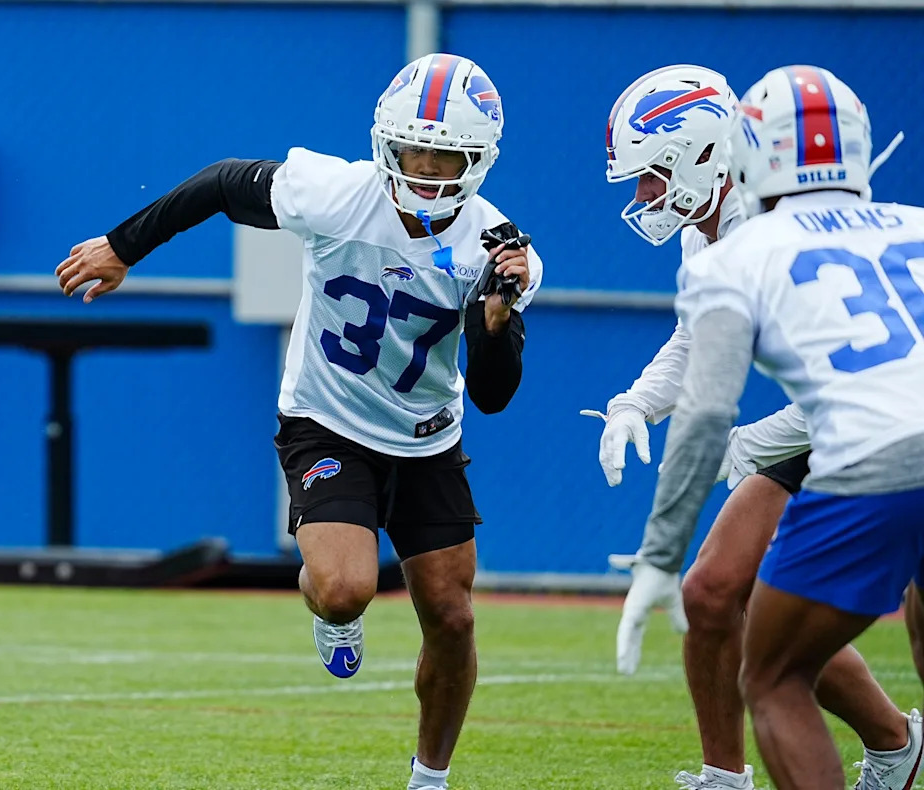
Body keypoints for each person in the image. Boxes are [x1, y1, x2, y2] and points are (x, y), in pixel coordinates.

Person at [55, 52, 542, 790]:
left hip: (426, 437)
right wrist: (125, 246)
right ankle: (333, 613)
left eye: (448, 155)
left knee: (453, 617)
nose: (428, 169)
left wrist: (496, 318)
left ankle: (429, 779)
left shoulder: (498, 249)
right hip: (327, 418)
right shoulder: (334, 192)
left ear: (480, 161)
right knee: (344, 586)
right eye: (415, 148)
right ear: (387, 143)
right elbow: (221, 183)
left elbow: (495, 394)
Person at [586, 64, 920, 789]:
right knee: (717, 595)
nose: (643, 197)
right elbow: (692, 342)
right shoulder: (900, 222)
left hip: (860, 435)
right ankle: (734, 772)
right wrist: (634, 404)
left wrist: (667, 542)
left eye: (650, 177)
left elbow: (757, 401)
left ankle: (892, 744)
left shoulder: (757, 234)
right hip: (851, 423)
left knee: (770, 659)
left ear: (710, 154)